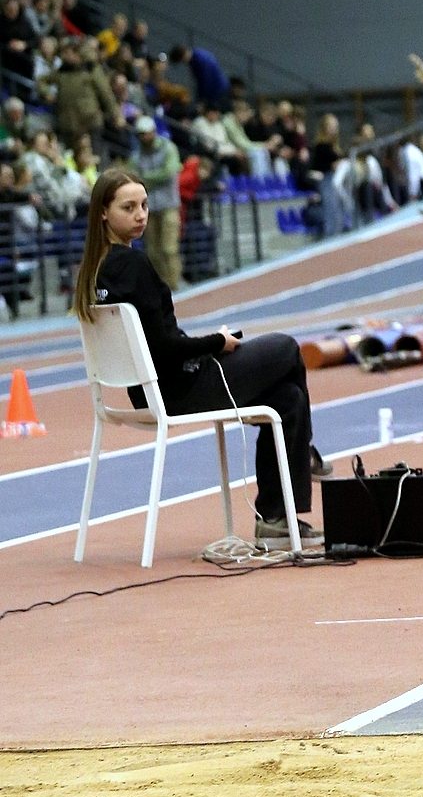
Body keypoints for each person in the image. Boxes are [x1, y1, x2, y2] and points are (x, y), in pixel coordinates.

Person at [73, 169, 321, 546]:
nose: (141, 215)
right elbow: (163, 348)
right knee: (286, 347)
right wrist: (216, 342)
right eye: (128, 207)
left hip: (148, 391)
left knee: (289, 399)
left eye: (144, 205)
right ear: (103, 213)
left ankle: (275, 519)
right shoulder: (131, 265)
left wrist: (207, 345)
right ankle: (306, 454)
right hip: (181, 388)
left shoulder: (95, 272)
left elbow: (156, 343)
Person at [125, 115, 183, 290]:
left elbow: (169, 172)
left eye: (147, 133)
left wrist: (146, 179)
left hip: (168, 205)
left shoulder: (168, 149)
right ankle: (161, 287)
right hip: (147, 208)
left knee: (169, 249)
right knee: (152, 251)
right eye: (141, 134)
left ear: (154, 132)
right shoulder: (136, 156)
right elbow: (133, 178)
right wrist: (152, 179)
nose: (144, 137)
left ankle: (174, 285)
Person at [169, 43, 231, 110]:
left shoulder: (199, 60)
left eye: (182, 62)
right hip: (218, 90)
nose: (184, 64)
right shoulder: (197, 54)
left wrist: (201, 100)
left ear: (183, 57)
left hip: (218, 92)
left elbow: (205, 81)